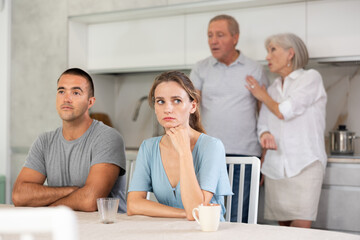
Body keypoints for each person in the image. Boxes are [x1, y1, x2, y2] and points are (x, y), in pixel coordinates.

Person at [12, 68, 127, 213]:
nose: (66, 98)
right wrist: (73, 190)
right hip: (63, 227)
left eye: (76, 92)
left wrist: (48, 205)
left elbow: (90, 201)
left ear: (90, 102)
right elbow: (19, 196)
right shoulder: (44, 142)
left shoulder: (107, 138)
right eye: (61, 91)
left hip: (106, 229)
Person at [189, 14, 268, 222]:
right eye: (209, 35)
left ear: (235, 37)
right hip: (208, 153)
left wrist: (265, 156)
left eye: (220, 35)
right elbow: (190, 109)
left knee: (239, 216)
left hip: (245, 153)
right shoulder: (200, 68)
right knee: (206, 212)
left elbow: (265, 114)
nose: (213, 41)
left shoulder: (253, 69)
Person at [246, 33, 327, 228]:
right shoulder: (273, 88)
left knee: (300, 231)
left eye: (272, 50)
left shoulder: (310, 78)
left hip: (305, 164)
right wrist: (264, 135)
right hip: (275, 168)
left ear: (290, 53)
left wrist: (261, 95)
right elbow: (263, 123)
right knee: (283, 232)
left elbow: (284, 111)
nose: (267, 56)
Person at [127, 71, 232, 221]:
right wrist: (184, 213)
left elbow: (196, 208)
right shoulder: (148, 147)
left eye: (176, 101)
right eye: (160, 101)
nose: (167, 109)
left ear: (192, 106)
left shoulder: (212, 146)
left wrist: (184, 152)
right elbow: (133, 204)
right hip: (168, 230)